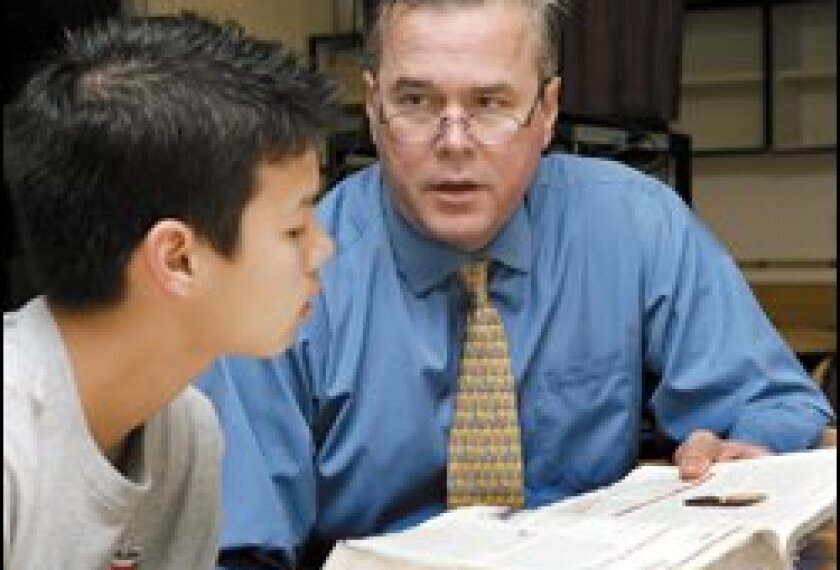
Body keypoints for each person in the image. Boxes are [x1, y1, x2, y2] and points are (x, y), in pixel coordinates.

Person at [196, 0, 835, 567]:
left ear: (547, 110)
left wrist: (744, 447)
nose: (453, 142)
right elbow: (241, 547)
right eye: (415, 101)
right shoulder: (288, 269)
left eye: (491, 103)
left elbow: (781, 404)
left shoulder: (635, 224)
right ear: (372, 107)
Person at [2, 13, 338, 570]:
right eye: (295, 229)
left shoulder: (187, 432)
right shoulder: (15, 450)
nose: (324, 248)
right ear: (178, 259)